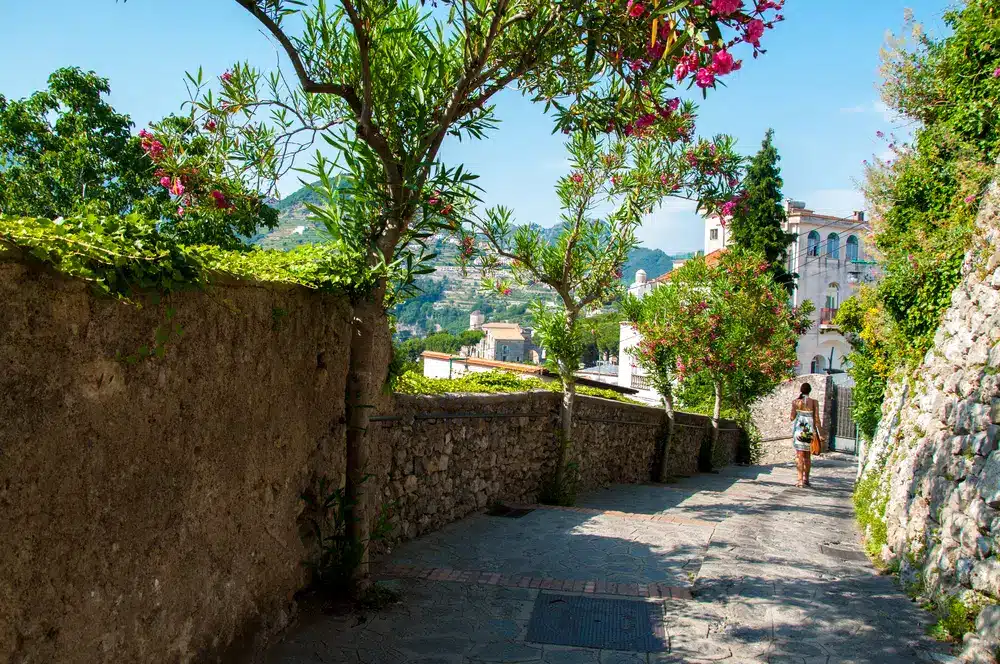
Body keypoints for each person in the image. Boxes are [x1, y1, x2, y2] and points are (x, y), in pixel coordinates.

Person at [789, 383, 823, 488]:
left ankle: (799, 481)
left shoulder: (795, 402)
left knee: (799, 456)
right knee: (808, 457)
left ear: (801, 390)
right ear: (810, 390)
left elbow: (792, 418)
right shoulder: (814, 402)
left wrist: (798, 412)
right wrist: (821, 434)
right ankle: (806, 479)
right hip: (809, 431)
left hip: (799, 430)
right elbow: (817, 419)